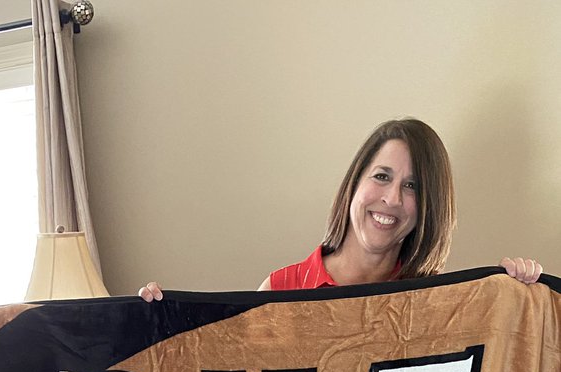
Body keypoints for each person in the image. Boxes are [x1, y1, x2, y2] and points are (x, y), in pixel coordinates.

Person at [139, 118, 542, 300]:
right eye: (381, 176)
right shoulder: (282, 288)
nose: (392, 200)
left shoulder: (434, 300)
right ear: (355, 183)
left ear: (428, 207)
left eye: (412, 186)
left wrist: (518, 300)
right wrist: (157, 320)